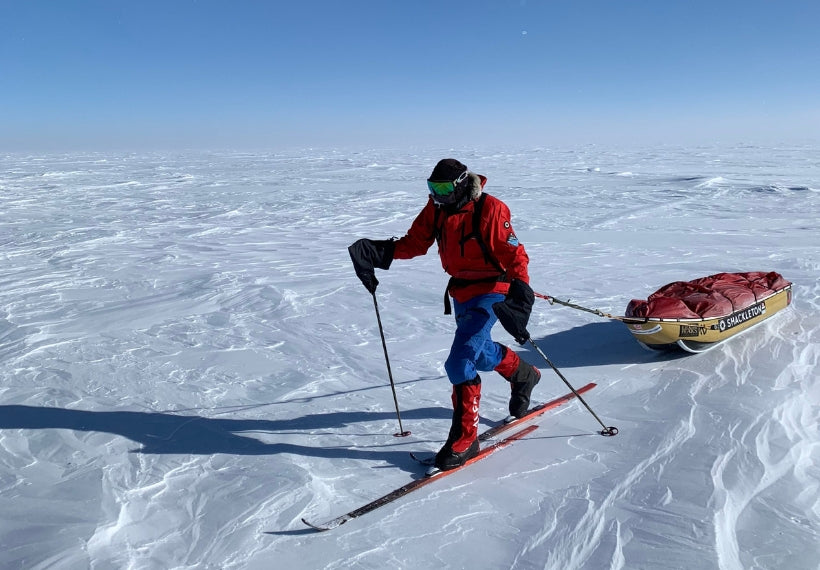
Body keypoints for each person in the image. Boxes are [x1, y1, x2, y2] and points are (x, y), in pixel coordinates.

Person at [348, 158, 540, 471]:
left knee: (459, 363)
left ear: (463, 184)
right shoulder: (437, 208)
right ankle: (523, 373)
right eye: (432, 187)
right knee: (475, 355)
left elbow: (514, 254)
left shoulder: (490, 209)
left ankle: (466, 438)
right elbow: (416, 242)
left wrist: (521, 291)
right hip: (462, 291)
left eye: (442, 188)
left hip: (492, 290)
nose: (437, 195)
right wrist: (378, 251)